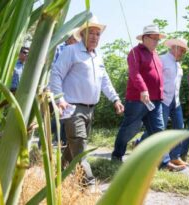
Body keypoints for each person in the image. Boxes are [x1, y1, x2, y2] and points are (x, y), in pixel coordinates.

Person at [49, 16, 124, 185]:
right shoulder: (71, 51)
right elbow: (56, 74)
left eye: (98, 34)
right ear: (82, 34)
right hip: (72, 108)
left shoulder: (98, 56)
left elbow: (105, 80)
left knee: (74, 146)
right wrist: (59, 98)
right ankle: (88, 184)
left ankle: (58, 174)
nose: (95, 37)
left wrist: (115, 99)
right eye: (91, 32)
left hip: (91, 109)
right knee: (80, 146)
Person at [135, 38, 189, 170]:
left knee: (179, 128)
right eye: (181, 50)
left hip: (175, 101)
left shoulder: (178, 65)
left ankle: (174, 156)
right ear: (173, 48)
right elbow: (152, 76)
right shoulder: (161, 59)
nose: (182, 53)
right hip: (163, 99)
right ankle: (142, 144)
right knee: (158, 128)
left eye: (184, 51)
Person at [111, 24, 166, 162]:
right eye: (154, 38)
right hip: (138, 99)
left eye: (158, 39)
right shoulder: (135, 52)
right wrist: (143, 89)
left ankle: (163, 162)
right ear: (145, 38)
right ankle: (117, 155)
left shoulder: (156, 54)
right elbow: (134, 73)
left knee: (158, 130)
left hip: (155, 100)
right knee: (130, 129)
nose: (156, 41)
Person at [50, 27, 81, 146]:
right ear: (70, 38)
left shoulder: (77, 50)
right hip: (58, 87)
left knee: (68, 114)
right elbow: (53, 69)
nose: (78, 41)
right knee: (59, 114)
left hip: (71, 87)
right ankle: (45, 140)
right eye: (76, 38)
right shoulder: (59, 49)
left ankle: (62, 141)